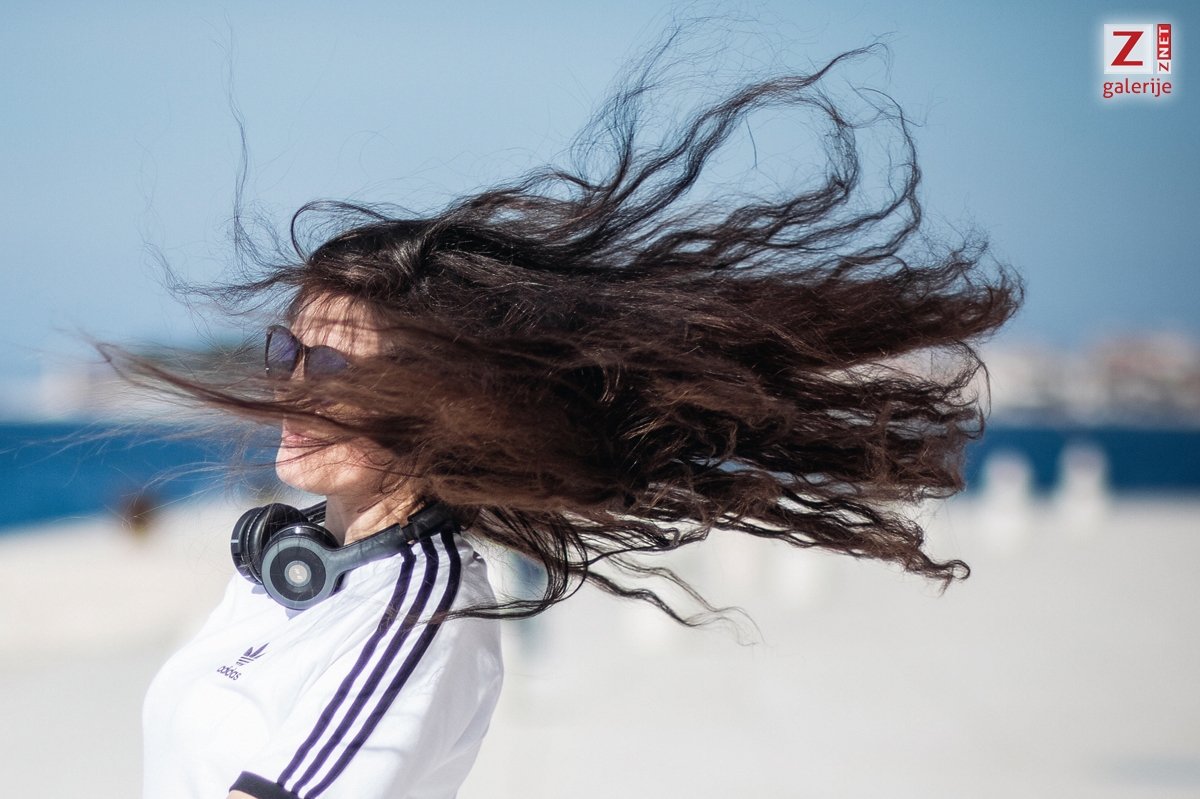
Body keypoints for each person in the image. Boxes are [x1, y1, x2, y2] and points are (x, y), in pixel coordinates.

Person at [114, 36, 1021, 799]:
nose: (293, 387)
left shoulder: (417, 607)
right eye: (289, 351)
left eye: (335, 364)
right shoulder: (287, 562)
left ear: (433, 398)